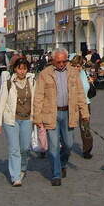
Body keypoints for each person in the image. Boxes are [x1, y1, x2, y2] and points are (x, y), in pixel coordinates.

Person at [32, 48, 89, 186]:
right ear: (53, 60)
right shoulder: (45, 74)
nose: (62, 64)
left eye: (65, 61)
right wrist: (37, 117)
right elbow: (38, 96)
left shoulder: (73, 73)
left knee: (69, 144)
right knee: (53, 146)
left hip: (68, 113)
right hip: (51, 114)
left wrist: (85, 113)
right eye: (59, 62)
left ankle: (62, 163)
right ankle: (56, 174)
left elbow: (80, 94)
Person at [0, 58, 35, 186]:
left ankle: (22, 167)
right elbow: (1, 103)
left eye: (24, 68)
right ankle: (15, 177)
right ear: (15, 69)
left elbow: (37, 100)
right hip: (11, 120)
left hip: (27, 119)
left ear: (27, 69)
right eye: (19, 68)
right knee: (14, 149)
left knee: (25, 148)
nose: (22, 71)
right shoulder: (8, 83)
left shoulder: (32, 81)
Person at [70, 56, 94, 159]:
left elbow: (89, 87)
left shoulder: (85, 73)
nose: (77, 68)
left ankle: (87, 149)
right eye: (74, 66)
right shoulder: (68, 75)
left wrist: (91, 82)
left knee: (85, 127)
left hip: (85, 103)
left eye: (78, 66)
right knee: (68, 127)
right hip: (71, 104)